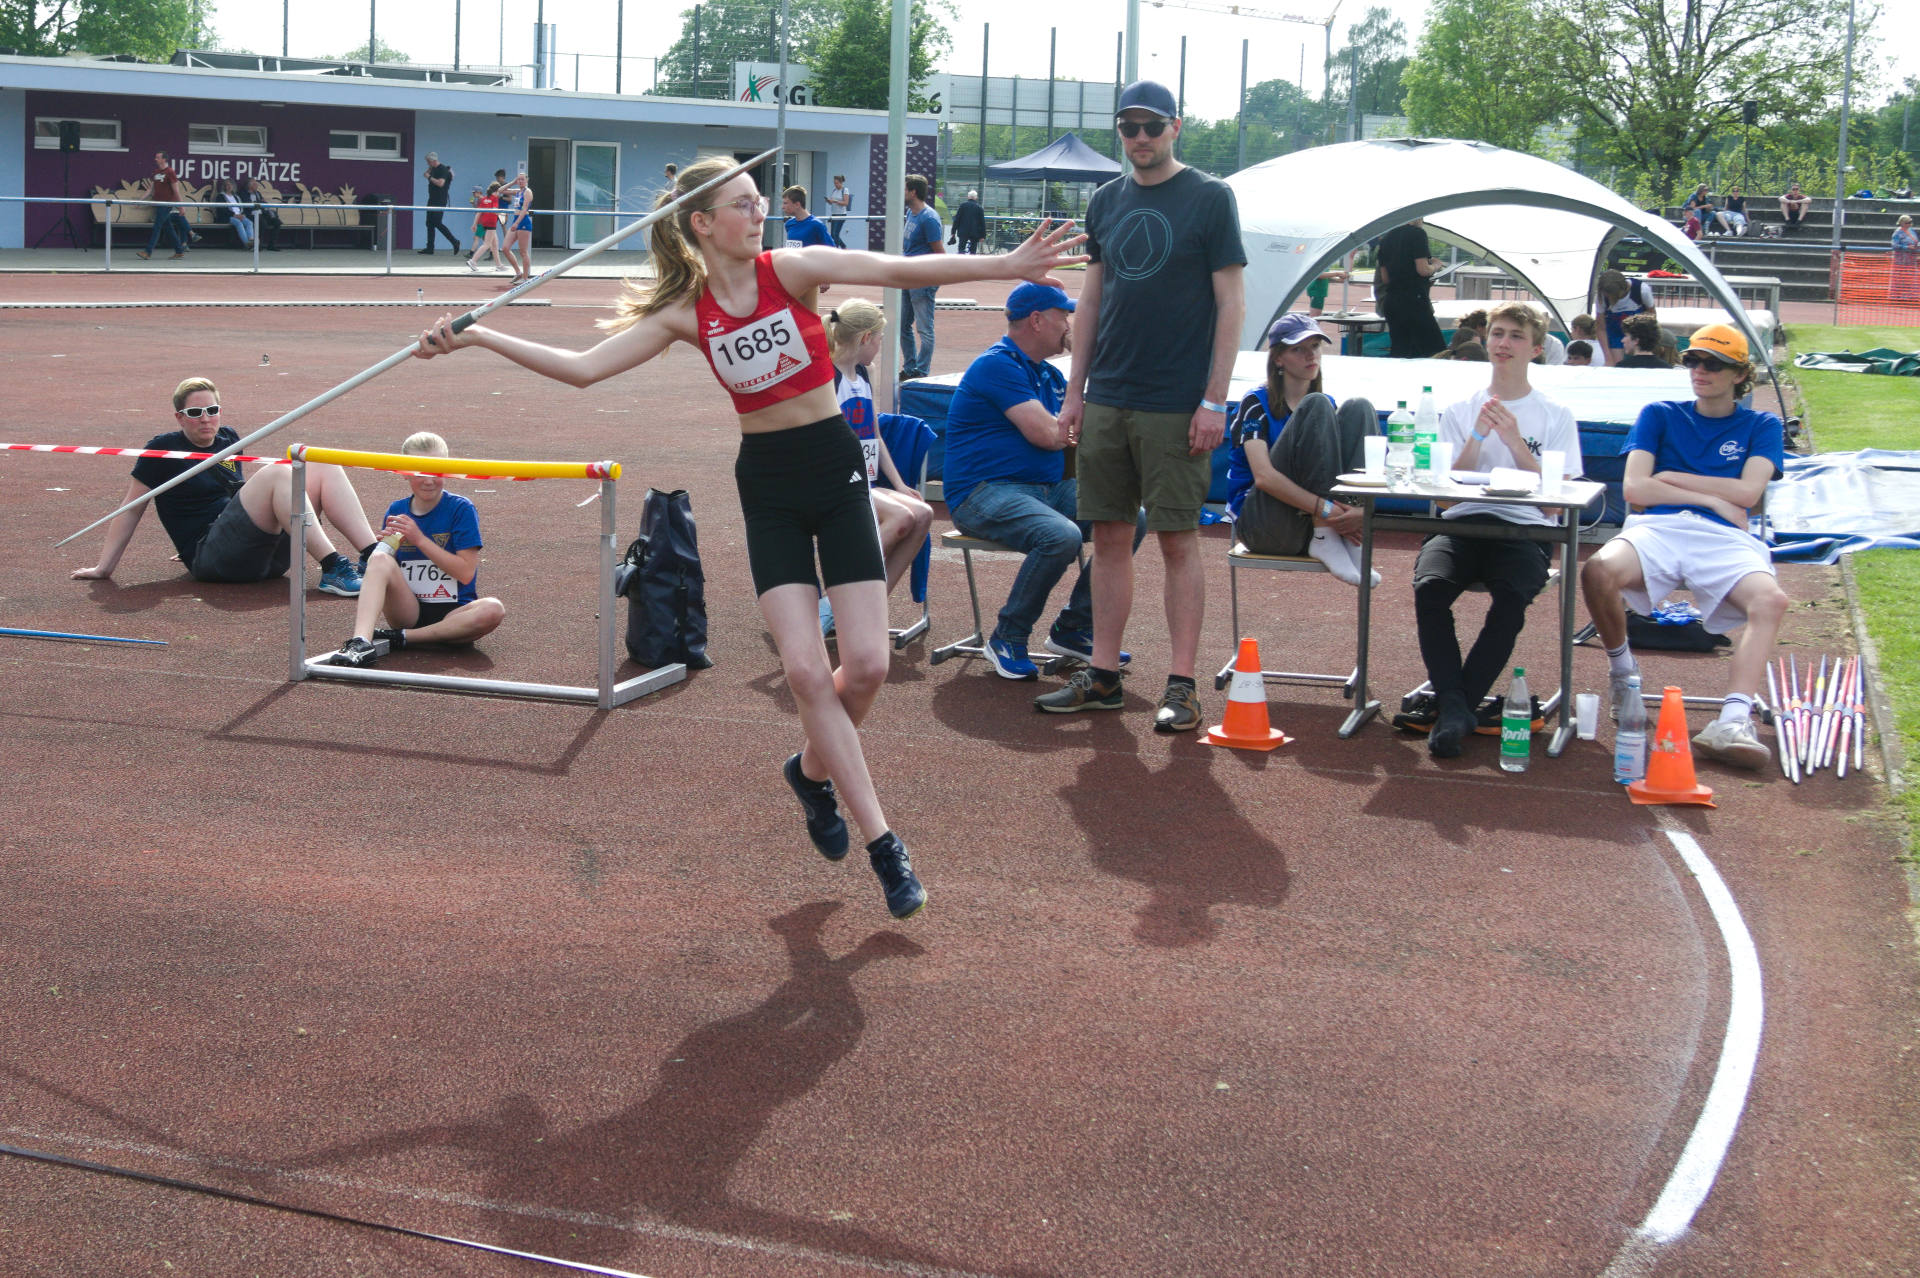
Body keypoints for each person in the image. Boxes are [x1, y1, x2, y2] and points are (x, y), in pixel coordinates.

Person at [409, 155, 1085, 919]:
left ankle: (808, 772)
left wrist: (1004, 264)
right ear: (702, 222)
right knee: (805, 672)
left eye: (759, 201)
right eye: (742, 204)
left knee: (862, 665)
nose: (758, 213)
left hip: (834, 473)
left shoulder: (791, 268)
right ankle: (883, 845)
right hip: (767, 486)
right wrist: (480, 338)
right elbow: (582, 369)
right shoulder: (686, 311)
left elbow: (894, 267)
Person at [1037, 79, 1246, 732]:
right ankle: (1102, 674)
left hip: (1178, 404)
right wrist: (1075, 392)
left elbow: (1231, 303)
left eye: (1151, 126)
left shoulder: (1211, 198)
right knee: (1108, 538)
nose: (1140, 138)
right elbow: (1091, 301)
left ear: (1175, 127)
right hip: (1109, 399)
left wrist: (1214, 399)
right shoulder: (1106, 201)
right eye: (1129, 126)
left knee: (1180, 540)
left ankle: (1181, 685)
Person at [1579, 323, 1789, 771]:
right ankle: (1622, 672)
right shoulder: (1659, 413)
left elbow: (1749, 494)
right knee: (1597, 570)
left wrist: (1671, 480)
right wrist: (1710, 496)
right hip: (1658, 529)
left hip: (1724, 538)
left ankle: (1733, 720)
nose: (1699, 369)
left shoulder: (1762, 423)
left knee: (1771, 600)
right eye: (1693, 360)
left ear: (1739, 374)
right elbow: (1636, 488)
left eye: (1713, 363)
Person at [943, 282, 1144, 679]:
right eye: (1063, 316)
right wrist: (1081, 428)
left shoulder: (1048, 374)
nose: (1070, 324)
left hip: (1045, 491)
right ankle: (1008, 636)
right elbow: (1049, 435)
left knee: (1128, 517)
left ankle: (1074, 628)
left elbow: (1069, 432)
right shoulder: (997, 364)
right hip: (984, 492)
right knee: (1061, 535)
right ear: (1036, 320)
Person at [1409, 303, 1581, 758]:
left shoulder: (1555, 413)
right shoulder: (1461, 409)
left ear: (1537, 349)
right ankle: (1456, 707)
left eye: (1516, 337)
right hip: (1463, 523)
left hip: (1523, 528)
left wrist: (1517, 445)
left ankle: (1455, 707)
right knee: (1429, 588)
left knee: (1511, 596)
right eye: (1498, 334)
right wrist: (1478, 438)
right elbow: (1445, 498)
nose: (1504, 344)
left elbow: (1553, 504)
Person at [71, 377, 373, 597]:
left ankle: (374, 557)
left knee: (321, 462)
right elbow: (132, 508)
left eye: (212, 410)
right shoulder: (162, 449)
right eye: (195, 413)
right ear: (179, 417)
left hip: (262, 556)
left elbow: (230, 500)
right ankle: (334, 568)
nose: (206, 419)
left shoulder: (229, 439)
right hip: (214, 561)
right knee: (280, 473)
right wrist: (104, 567)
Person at [329, 432, 505, 668]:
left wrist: (420, 539)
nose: (429, 480)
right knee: (380, 558)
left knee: (493, 609)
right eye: (419, 471)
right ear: (403, 472)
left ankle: (403, 639)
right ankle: (361, 641)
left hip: (455, 614)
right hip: (408, 611)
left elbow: (465, 573)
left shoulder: (461, 508)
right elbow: (381, 569)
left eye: (436, 470)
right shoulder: (398, 508)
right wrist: (385, 548)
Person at [1227, 312, 1379, 586]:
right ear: (1278, 358)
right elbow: (1263, 476)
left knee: (1359, 406)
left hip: (1313, 522)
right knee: (1316, 405)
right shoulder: (1255, 403)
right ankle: (1326, 536)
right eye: (1299, 349)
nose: (1311, 356)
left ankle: (1351, 529)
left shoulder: (1326, 405)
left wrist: (1358, 512)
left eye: (1315, 347)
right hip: (1265, 525)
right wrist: (1325, 510)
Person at [823, 300, 934, 630]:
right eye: (881, 339)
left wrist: (899, 484)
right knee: (901, 517)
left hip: (863, 484)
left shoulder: (862, 374)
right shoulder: (827, 378)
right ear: (866, 338)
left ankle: (867, 611)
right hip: (836, 485)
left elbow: (874, 435)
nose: (881, 347)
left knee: (923, 512)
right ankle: (835, 603)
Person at [1376, 217, 1447, 358]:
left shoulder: (1386, 238)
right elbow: (1423, 269)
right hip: (1414, 300)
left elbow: (1385, 278)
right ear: (1418, 218)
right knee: (1436, 351)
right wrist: (1436, 265)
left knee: (1400, 351)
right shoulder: (1417, 234)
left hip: (1393, 301)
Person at [899, 174, 945, 378]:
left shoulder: (929, 219)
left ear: (913, 192)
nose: (901, 192)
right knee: (902, 326)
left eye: (904, 188)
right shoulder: (911, 213)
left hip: (923, 280)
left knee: (924, 329)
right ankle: (910, 367)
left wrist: (933, 281)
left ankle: (921, 370)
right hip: (908, 277)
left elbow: (940, 253)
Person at [135, 150, 190, 261]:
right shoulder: (155, 172)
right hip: (159, 204)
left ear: (164, 159)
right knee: (168, 228)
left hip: (166, 204)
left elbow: (176, 191)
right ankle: (179, 251)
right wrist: (140, 201)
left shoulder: (170, 172)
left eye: (158, 157)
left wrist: (181, 206)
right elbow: (150, 190)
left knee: (157, 227)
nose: (155, 159)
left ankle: (148, 251)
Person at [1596, 270, 1657, 367]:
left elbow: (1652, 318)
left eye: (1611, 296)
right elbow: (1600, 328)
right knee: (1616, 366)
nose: (1608, 297)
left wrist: (1649, 343)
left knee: (1641, 363)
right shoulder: (1602, 297)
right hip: (1615, 332)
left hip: (1637, 333)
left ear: (1621, 290)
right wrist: (1608, 358)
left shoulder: (1642, 290)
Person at [418, 151, 462, 254]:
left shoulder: (442, 169)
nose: (427, 163)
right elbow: (428, 172)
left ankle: (455, 241)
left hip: (440, 200)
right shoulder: (433, 168)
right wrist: (429, 170)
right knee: (429, 223)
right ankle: (430, 248)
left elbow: (441, 183)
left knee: (437, 222)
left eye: (428, 162)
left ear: (432, 160)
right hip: (432, 199)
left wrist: (428, 177)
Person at [500, 173, 534, 283]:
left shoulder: (527, 192)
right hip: (516, 220)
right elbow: (501, 190)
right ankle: (518, 273)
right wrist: (512, 182)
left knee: (523, 251)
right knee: (505, 248)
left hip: (523, 221)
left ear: (527, 180)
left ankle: (525, 278)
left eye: (522, 179)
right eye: (518, 179)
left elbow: (524, 209)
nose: (520, 181)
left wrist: (516, 223)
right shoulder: (517, 192)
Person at [467, 181, 507, 272]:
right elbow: (495, 210)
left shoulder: (484, 199)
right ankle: (473, 261)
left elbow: (479, 212)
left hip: (484, 223)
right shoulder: (495, 199)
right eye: (499, 192)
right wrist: (502, 213)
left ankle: (499, 265)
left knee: (495, 244)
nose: (499, 194)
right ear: (496, 191)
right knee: (487, 244)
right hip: (491, 224)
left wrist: (474, 224)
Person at [236, 176, 282, 252]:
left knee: (277, 222)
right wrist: (259, 203)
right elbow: (248, 205)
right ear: (249, 185)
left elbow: (263, 203)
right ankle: (258, 245)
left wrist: (260, 203)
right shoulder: (243, 193)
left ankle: (272, 245)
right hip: (251, 214)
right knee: (262, 223)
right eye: (254, 183)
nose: (257, 185)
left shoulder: (258, 193)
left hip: (262, 213)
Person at [211, 178, 254, 248]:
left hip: (239, 215)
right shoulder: (221, 196)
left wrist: (242, 214)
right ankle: (247, 244)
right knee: (239, 223)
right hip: (228, 217)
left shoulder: (236, 197)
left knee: (249, 223)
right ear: (224, 186)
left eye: (230, 185)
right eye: (227, 185)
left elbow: (241, 207)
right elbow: (222, 210)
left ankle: (251, 241)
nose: (229, 186)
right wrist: (234, 215)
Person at [1891, 215, 1919, 303]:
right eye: (1908, 222)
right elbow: (1894, 245)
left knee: (1910, 276)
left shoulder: (1911, 231)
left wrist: (1916, 246)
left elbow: (1916, 241)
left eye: (1910, 222)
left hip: (1911, 257)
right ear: (1902, 223)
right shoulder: (1897, 233)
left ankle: (1910, 294)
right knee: (1900, 276)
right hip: (1901, 258)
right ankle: (1898, 295)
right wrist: (1906, 247)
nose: (1910, 224)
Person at [950, 190, 986, 255]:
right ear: (976, 197)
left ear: (968, 197)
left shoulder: (962, 206)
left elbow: (957, 219)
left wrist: (953, 232)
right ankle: (971, 264)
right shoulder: (979, 208)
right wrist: (983, 236)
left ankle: (961, 263)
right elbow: (982, 223)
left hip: (963, 231)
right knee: (973, 251)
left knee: (961, 249)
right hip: (975, 232)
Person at [824, 174, 852, 247]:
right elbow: (832, 202)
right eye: (834, 183)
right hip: (834, 214)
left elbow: (846, 203)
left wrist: (835, 201)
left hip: (841, 214)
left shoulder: (845, 190)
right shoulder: (834, 190)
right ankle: (843, 246)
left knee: (835, 233)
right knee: (833, 234)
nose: (835, 185)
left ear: (841, 182)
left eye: (837, 183)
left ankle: (837, 248)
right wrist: (829, 201)